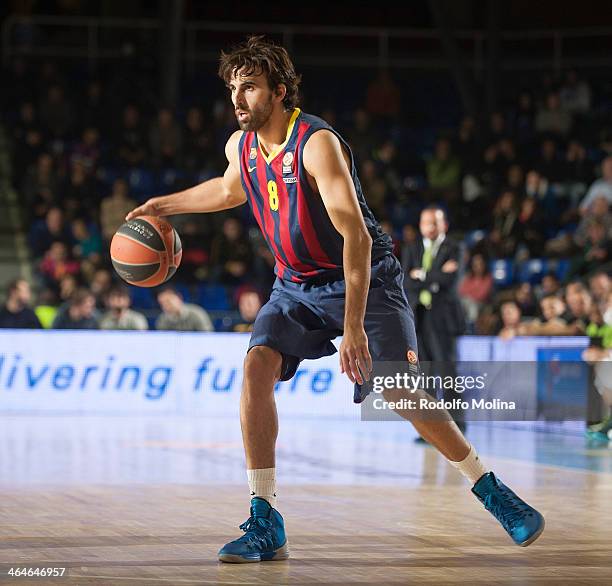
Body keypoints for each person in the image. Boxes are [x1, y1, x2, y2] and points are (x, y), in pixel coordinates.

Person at [126, 36, 545, 563]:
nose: (237, 98)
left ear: (279, 92)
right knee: (256, 367)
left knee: (399, 393)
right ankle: (265, 516)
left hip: (364, 281)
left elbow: (358, 239)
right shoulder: (242, 146)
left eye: (250, 87)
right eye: (233, 87)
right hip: (295, 285)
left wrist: (352, 326)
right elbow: (231, 189)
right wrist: (160, 205)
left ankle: (489, 488)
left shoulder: (316, 142)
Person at [403, 207, 466, 433]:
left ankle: (457, 426)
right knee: (425, 375)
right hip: (419, 317)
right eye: (425, 222)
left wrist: (421, 275)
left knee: (447, 372)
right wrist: (434, 277)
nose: (429, 227)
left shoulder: (455, 248)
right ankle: (431, 429)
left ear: (443, 225)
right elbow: (406, 282)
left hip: (443, 318)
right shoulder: (412, 248)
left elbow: (451, 281)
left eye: (434, 222)